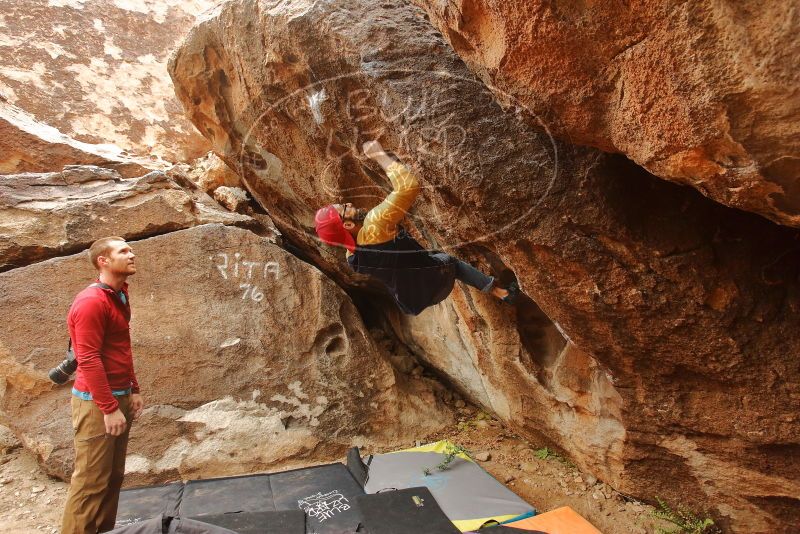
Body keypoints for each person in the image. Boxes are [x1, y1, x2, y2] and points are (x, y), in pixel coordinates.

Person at [315, 141, 519, 316]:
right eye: (344, 209)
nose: (349, 205)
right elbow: (409, 186)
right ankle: (502, 293)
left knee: (428, 260)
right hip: (435, 282)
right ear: (348, 225)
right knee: (451, 263)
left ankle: (496, 290)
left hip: (411, 301)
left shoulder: (352, 257)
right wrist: (379, 155)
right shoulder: (375, 224)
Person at [61, 236, 143, 534]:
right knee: (90, 482)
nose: (132, 254)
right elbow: (89, 360)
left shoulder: (119, 295)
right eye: (124, 251)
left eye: (131, 249)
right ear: (103, 261)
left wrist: (133, 388)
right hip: (96, 403)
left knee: (112, 477)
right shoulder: (91, 301)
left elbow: (121, 347)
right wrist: (109, 408)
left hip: (118, 396)